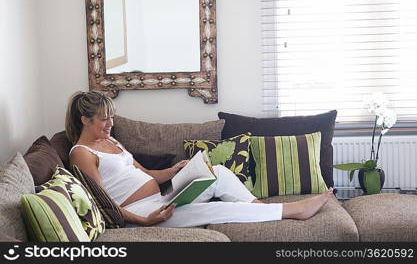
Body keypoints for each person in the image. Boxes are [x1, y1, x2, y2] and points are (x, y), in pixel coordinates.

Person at [66, 91, 333, 228]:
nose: (111, 123)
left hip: (159, 198)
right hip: (142, 213)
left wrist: (174, 171)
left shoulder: (110, 141)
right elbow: (101, 203)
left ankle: (257, 207)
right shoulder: (81, 154)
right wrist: (145, 221)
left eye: (112, 116)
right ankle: (295, 210)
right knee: (217, 210)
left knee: (216, 171)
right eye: (104, 118)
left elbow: (146, 173)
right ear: (85, 120)